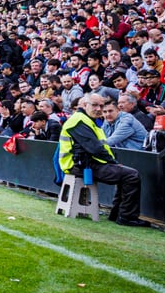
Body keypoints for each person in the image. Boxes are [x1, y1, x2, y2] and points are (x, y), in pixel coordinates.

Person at [57, 94, 148, 227]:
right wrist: (114, 163)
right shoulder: (79, 121)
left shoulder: (85, 119)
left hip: (83, 164)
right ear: (84, 105)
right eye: (95, 105)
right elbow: (95, 148)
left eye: (101, 105)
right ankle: (127, 217)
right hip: (81, 166)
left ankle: (117, 214)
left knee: (126, 174)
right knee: (131, 175)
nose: (99, 109)